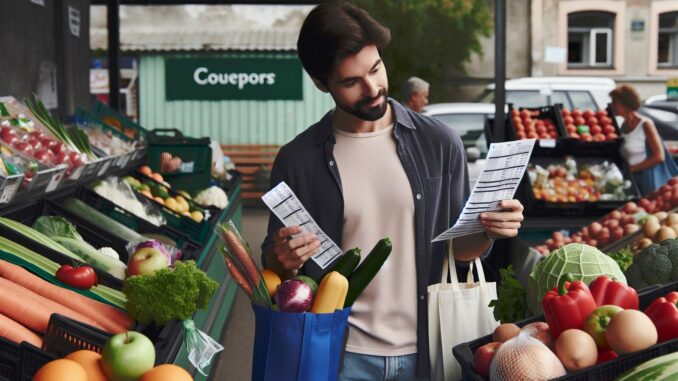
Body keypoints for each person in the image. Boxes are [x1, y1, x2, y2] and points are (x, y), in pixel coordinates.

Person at [261, 2, 524, 379]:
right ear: (322, 83)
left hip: (429, 350)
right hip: (340, 355)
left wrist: (489, 228)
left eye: (375, 69)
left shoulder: (439, 143)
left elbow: (459, 252)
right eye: (351, 82)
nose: (372, 89)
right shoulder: (297, 160)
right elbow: (273, 263)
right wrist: (281, 256)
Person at [611, 85, 678, 194]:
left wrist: (632, 169)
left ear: (625, 103)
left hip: (647, 180)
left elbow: (659, 156)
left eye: (615, 102)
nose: (612, 105)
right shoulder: (624, 126)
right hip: (632, 181)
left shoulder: (646, 124)